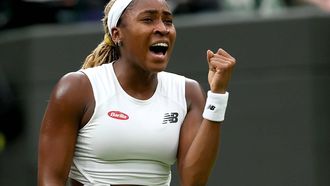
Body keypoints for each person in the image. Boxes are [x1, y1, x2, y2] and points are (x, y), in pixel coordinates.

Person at [37, 0, 236, 185]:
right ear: (117, 34)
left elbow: (193, 181)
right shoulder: (77, 88)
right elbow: (50, 179)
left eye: (168, 21)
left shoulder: (188, 92)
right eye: (148, 19)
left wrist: (217, 95)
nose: (162, 28)